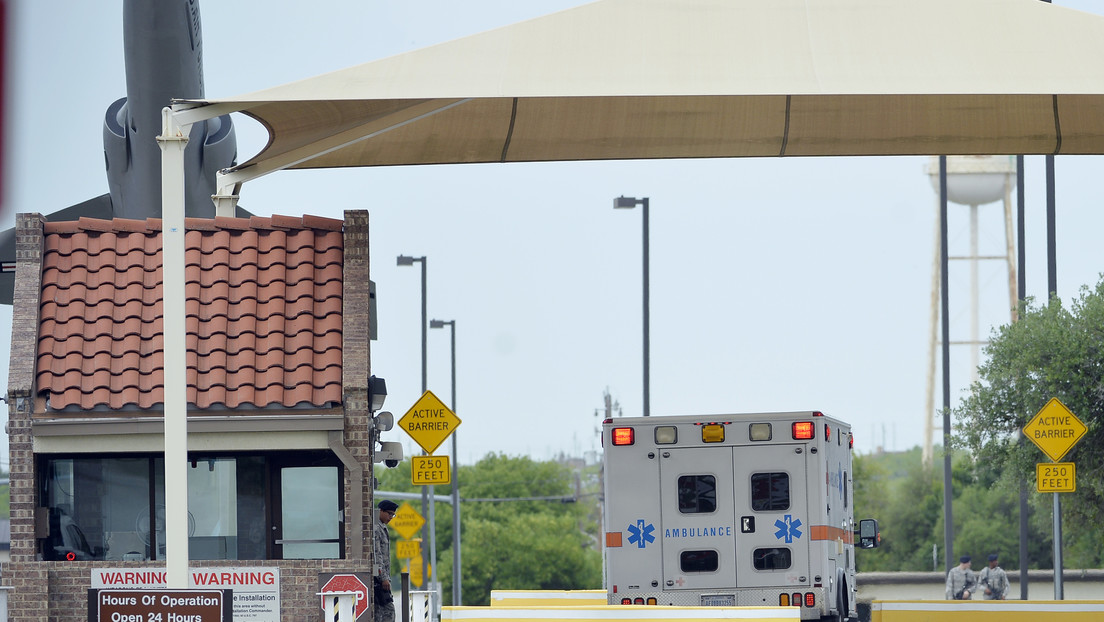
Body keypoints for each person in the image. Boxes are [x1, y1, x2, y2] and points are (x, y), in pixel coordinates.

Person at [374, 500, 398, 622]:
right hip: (377, 579)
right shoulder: (376, 528)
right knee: (387, 611)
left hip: (381, 578)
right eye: (389, 514)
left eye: (393, 515)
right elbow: (377, 554)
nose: (391, 517)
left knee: (381, 612)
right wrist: (383, 577)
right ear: (381, 511)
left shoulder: (382, 527)